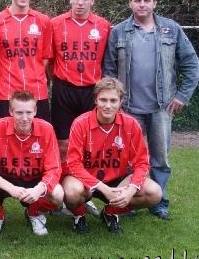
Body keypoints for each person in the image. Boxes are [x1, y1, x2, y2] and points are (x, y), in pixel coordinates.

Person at [103, 0, 199, 220]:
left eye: (147, 0)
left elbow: (192, 64)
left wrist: (182, 96)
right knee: (126, 159)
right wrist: (114, 102)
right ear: (131, 3)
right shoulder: (119, 32)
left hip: (161, 107)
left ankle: (159, 202)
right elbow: (109, 69)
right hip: (127, 109)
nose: (142, 4)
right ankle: (130, 201)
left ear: (154, 3)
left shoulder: (172, 29)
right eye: (138, 0)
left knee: (160, 158)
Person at [62, 77, 162, 234]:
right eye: (103, 100)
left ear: (120, 101)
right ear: (95, 99)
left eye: (113, 100)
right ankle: (79, 216)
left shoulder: (131, 124)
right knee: (71, 192)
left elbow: (142, 162)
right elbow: (73, 163)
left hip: (118, 180)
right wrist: (101, 187)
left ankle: (110, 212)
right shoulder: (80, 123)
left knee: (154, 193)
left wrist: (130, 190)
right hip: (86, 180)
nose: (108, 105)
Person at [0, 90, 62, 238]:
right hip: (4, 180)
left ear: (35, 111)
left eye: (29, 112)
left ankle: (34, 213)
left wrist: (38, 189)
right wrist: (11, 188)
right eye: (19, 113)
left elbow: (54, 169)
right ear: (11, 111)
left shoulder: (46, 128)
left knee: (58, 194)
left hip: (34, 181)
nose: (24, 118)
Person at [50, 0, 111, 162]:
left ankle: (86, 185)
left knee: (92, 141)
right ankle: (64, 186)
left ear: (92, 0)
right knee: (63, 143)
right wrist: (59, 81)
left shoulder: (104, 26)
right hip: (64, 89)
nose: (80, 2)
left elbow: (107, 60)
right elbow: (49, 60)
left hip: (92, 91)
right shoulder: (55, 24)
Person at [0, 0, 52, 123]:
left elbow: (45, 58)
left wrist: (31, 74)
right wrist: (8, 76)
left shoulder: (44, 21)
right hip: (5, 92)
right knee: (3, 141)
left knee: (39, 141)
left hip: (36, 91)